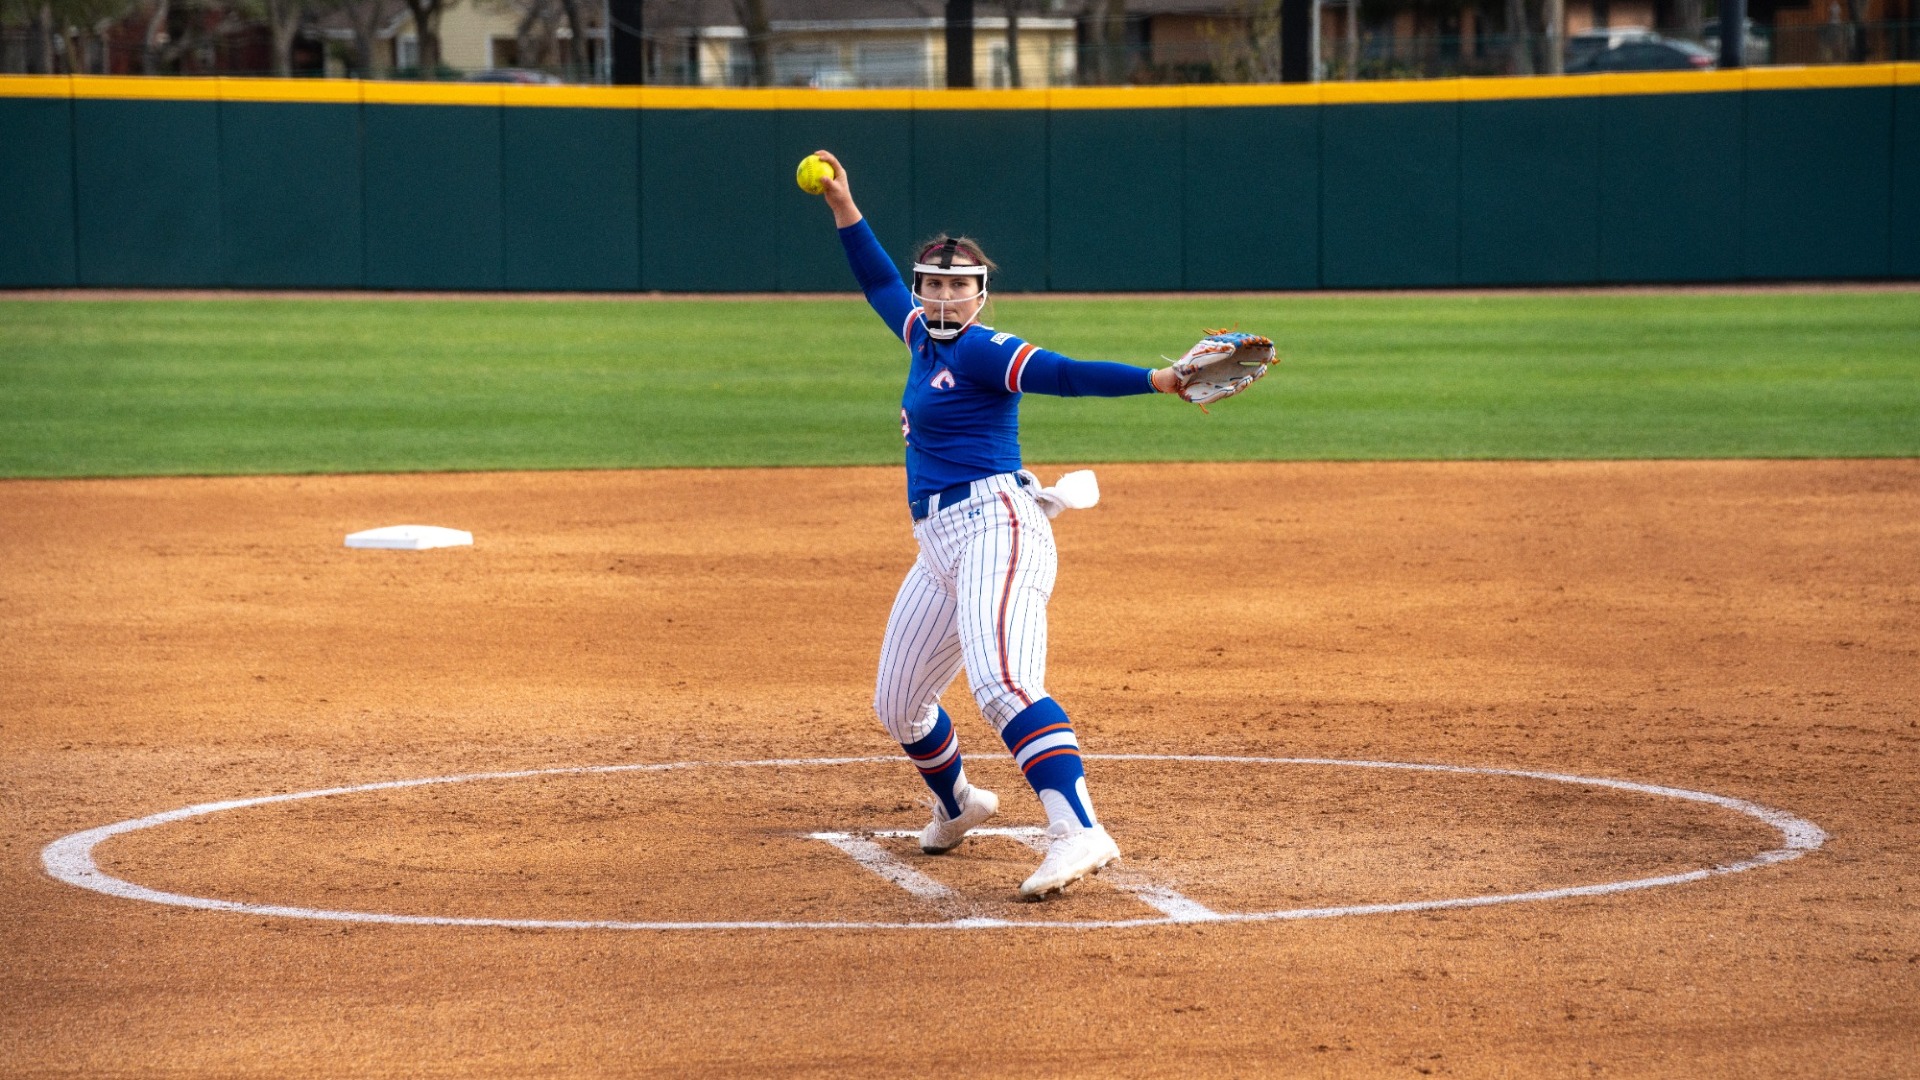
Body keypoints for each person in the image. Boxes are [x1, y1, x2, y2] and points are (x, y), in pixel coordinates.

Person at [807, 149, 1188, 899]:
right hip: (940, 544)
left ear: (980, 295)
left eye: (959, 286)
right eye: (936, 284)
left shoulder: (985, 349)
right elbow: (877, 278)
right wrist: (843, 206)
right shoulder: (918, 334)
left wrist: (1157, 379)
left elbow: (1066, 373)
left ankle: (1078, 830)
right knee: (898, 703)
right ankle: (958, 803)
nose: (945, 297)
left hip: (997, 526)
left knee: (1004, 682)